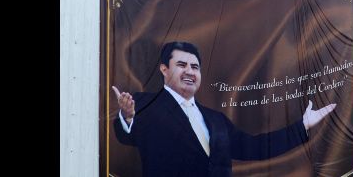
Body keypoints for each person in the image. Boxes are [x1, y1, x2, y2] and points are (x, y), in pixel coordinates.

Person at [112, 42, 336, 177]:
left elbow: (254, 148)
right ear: (164, 69)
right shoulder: (147, 105)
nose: (190, 71)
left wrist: (302, 126)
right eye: (181, 65)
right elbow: (128, 135)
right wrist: (127, 116)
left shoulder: (215, 120)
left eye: (195, 67)